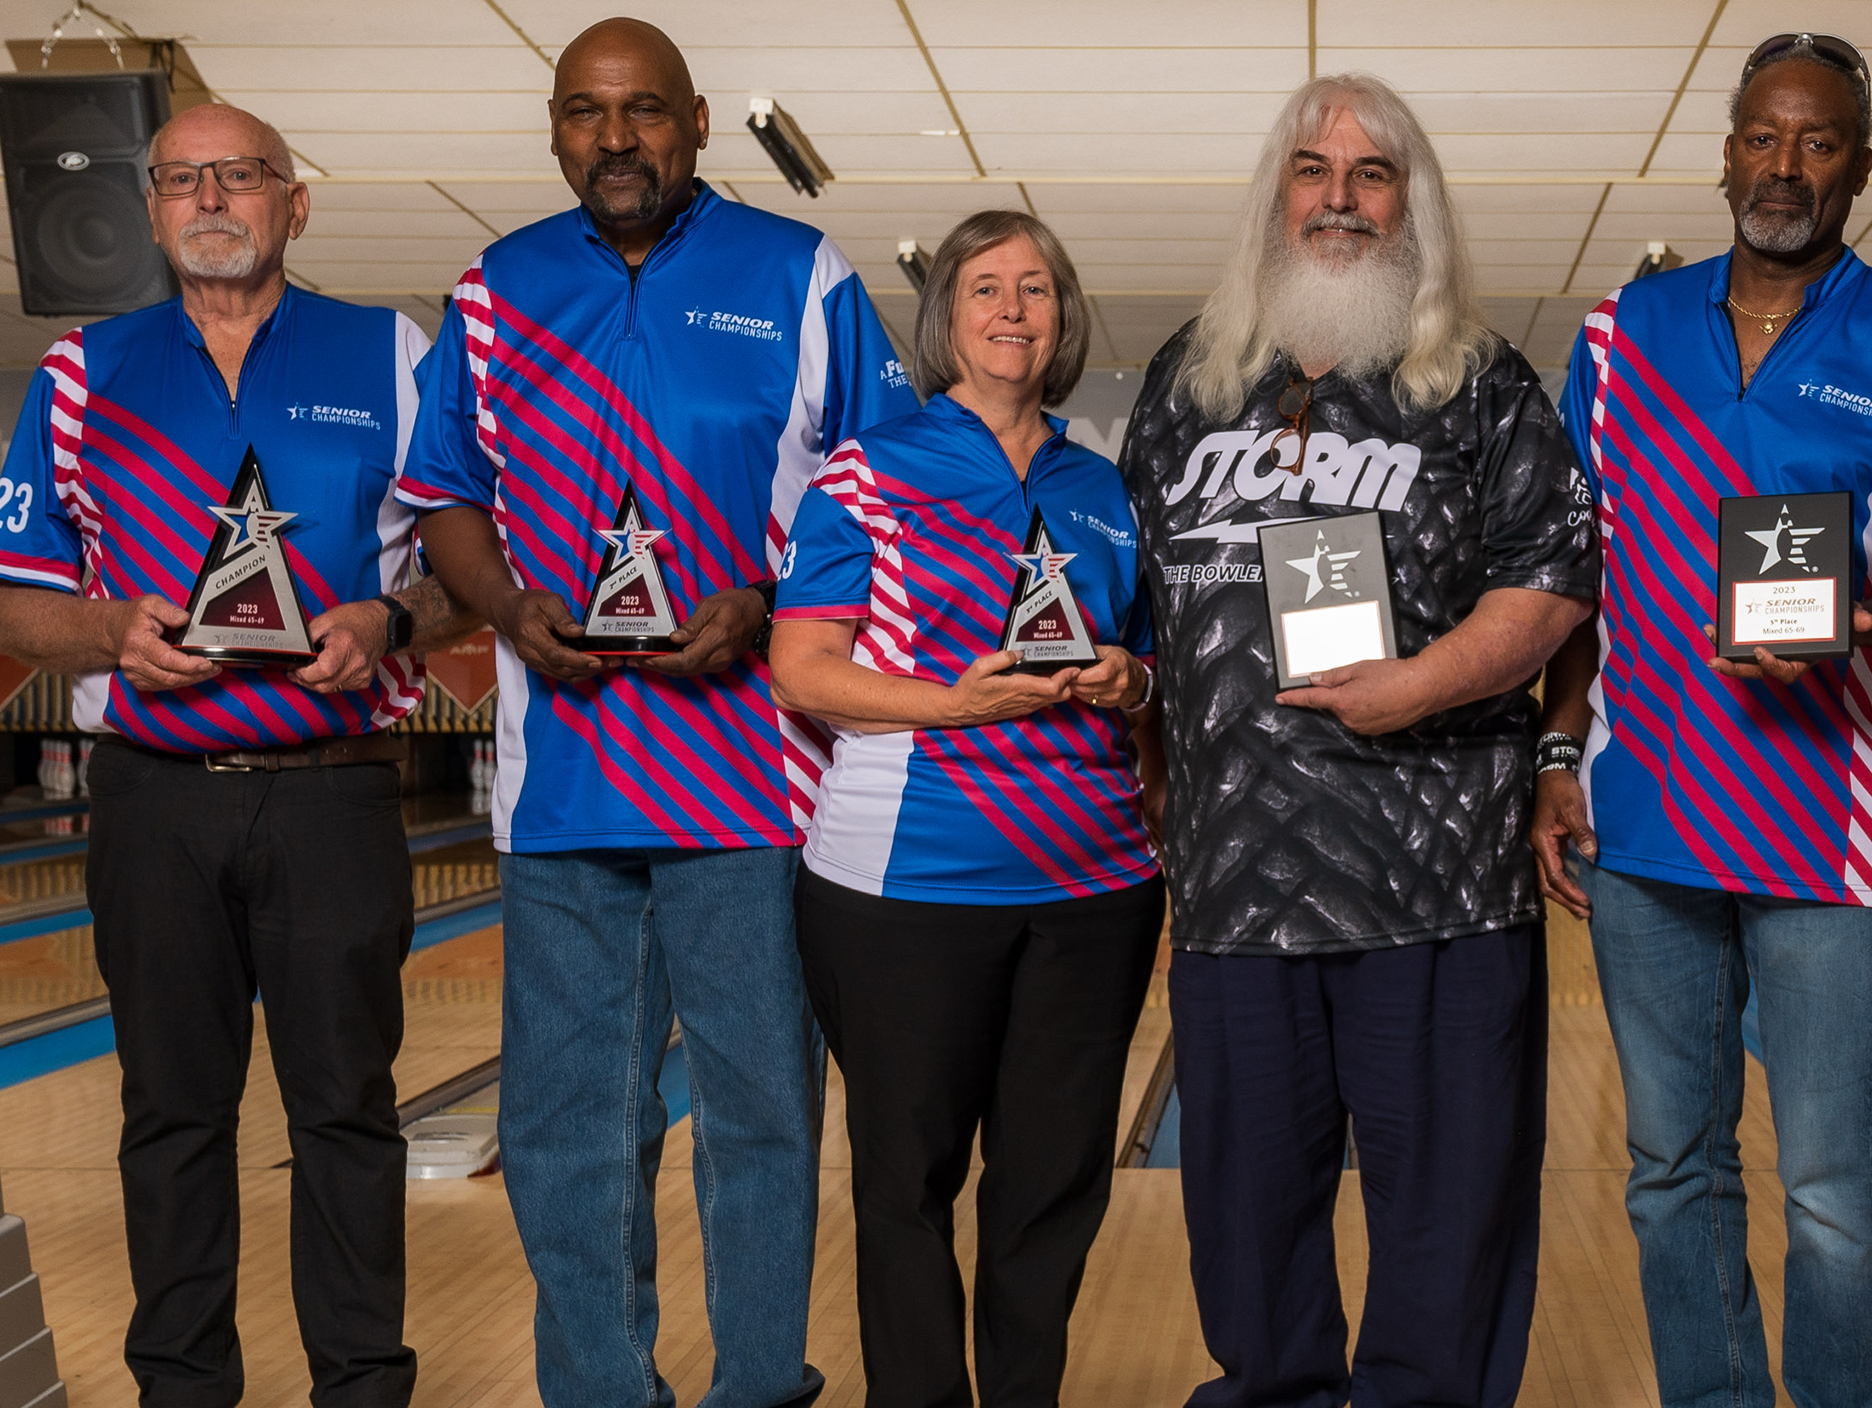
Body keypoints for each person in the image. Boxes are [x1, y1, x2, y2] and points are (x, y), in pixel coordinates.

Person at [396, 18, 916, 1408]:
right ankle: (601, 1391)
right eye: (583, 112)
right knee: (569, 1127)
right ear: (556, 129)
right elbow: (442, 489)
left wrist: (759, 592)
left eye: (641, 113)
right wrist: (509, 615)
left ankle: (761, 1385)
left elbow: (880, 493)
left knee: (762, 1114)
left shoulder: (801, 275)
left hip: (753, 791)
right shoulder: (499, 288)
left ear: (692, 122)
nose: (613, 139)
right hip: (561, 794)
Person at [1531, 34, 1872, 1407]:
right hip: (1647, 817)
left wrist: (1861, 620)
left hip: (1829, 833)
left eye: (1818, 141)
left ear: (1859, 164)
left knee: (1831, 1182)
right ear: (1726, 147)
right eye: (1762, 134)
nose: (1784, 164)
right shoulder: (1625, 335)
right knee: (1672, 1167)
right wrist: (1559, 752)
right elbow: (1576, 579)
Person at [1119, 72, 1596, 1408]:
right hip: (1235, 891)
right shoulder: (1188, 381)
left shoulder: (1481, 380)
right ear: (1277, 196)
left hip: (1433, 880)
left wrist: (1426, 683)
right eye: (1312, 169)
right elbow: (1130, 608)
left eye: (1372, 173)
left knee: (1449, 1226)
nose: (1339, 196)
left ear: (1412, 205)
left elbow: (1557, 575)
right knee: (1247, 1232)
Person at [0, 102, 473, 1407]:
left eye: (243, 176)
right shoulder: (82, 371)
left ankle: (363, 1386)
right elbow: (18, 594)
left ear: (294, 201)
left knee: (344, 1117)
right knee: (170, 1120)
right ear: (154, 210)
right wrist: (109, 629)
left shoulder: (396, 355)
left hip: (336, 798)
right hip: (152, 803)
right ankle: (183, 1389)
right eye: (183, 179)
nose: (213, 198)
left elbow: (472, 568)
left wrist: (387, 616)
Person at [770, 208, 1161, 1408]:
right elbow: (804, 666)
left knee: (1052, 1184)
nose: (1012, 309)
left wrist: (1128, 679)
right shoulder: (869, 469)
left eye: (1036, 288)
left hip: (1094, 887)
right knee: (907, 1181)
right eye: (985, 287)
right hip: (904, 884)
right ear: (946, 318)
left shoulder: (1103, 488)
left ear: (1062, 318)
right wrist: (954, 702)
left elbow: (1146, 674)